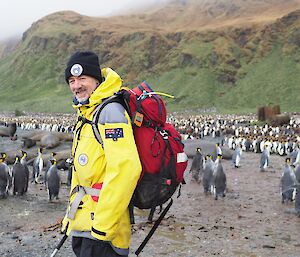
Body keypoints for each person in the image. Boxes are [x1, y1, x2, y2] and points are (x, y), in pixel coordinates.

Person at [61, 51, 142, 257]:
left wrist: (103, 226)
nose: (76, 85)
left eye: (82, 79)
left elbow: (126, 169)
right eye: (72, 80)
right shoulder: (86, 114)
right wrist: (69, 219)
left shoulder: (110, 112)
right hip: (84, 223)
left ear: (96, 80)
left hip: (104, 231)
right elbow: (80, 174)